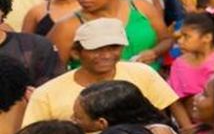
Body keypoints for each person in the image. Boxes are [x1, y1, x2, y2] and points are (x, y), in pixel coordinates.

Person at [24, 18, 180, 126]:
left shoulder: (142, 73)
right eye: (96, 49)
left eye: (113, 48)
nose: (106, 55)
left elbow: (168, 113)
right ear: (76, 53)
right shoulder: (46, 94)